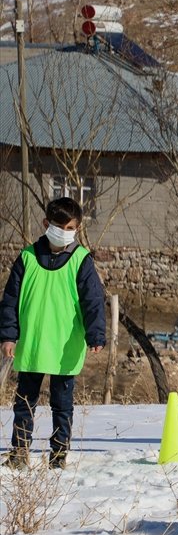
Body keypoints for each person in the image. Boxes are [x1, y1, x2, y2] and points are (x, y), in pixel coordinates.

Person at [1, 197, 107, 469]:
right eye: (60, 226)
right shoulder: (27, 257)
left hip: (64, 347)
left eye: (71, 227)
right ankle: (19, 451)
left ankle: (59, 454)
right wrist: (8, 335)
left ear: (78, 228)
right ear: (46, 224)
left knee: (62, 405)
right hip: (33, 345)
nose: (65, 232)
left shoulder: (81, 261)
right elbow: (10, 299)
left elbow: (93, 300)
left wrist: (95, 334)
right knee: (24, 402)